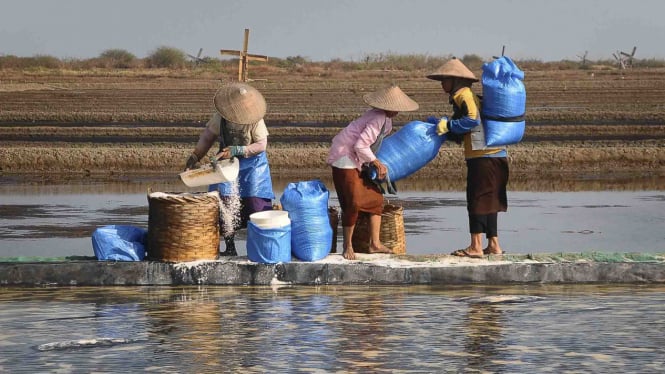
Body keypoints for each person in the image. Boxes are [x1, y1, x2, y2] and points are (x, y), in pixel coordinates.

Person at [426, 58, 508, 258]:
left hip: (483, 158)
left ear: (455, 80)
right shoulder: (466, 96)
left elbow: (472, 119)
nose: (442, 84)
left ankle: (476, 246)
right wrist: (445, 126)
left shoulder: (464, 95)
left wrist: (449, 126)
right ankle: (494, 245)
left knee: (477, 198)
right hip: (496, 155)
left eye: (444, 79)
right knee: (490, 199)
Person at [327, 85, 419, 260]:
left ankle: (375, 243)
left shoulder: (386, 119)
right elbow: (360, 145)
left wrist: (374, 162)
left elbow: (373, 145)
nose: (397, 112)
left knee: (376, 198)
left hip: (358, 159)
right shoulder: (378, 118)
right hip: (344, 157)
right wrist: (375, 162)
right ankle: (348, 246)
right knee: (352, 202)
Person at [184, 82, 274, 256]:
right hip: (227, 161)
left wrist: (240, 150)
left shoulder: (256, 120)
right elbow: (208, 136)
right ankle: (230, 246)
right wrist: (195, 156)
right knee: (224, 201)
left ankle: (258, 247)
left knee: (255, 203)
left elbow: (262, 145)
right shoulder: (221, 117)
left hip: (253, 165)